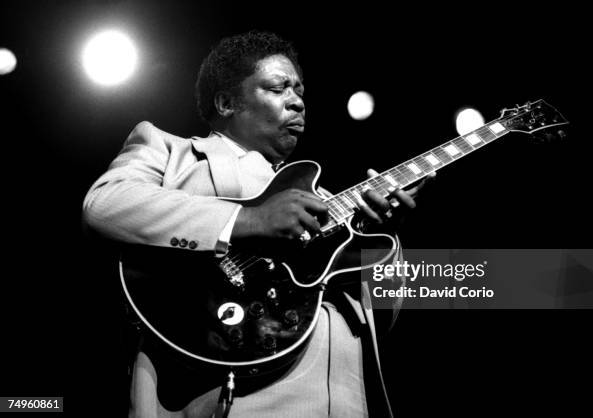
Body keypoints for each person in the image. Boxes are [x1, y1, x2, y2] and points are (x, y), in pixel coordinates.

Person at [83, 30, 431, 418]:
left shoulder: (326, 201)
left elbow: (382, 319)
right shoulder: (172, 151)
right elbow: (105, 204)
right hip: (220, 393)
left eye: (300, 90)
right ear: (227, 102)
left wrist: (378, 240)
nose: (297, 101)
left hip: (346, 401)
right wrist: (245, 219)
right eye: (279, 87)